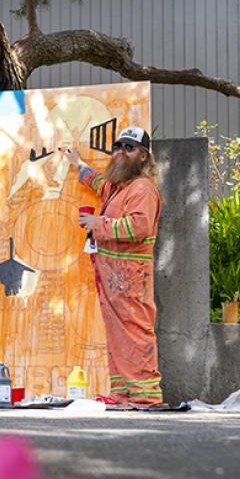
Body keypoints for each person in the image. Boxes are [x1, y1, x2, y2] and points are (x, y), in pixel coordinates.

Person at [63, 127, 164, 408]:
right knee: (118, 335)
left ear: (143, 156)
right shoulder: (118, 187)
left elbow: (139, 226)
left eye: (128, 148)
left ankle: (146, 395)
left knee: (135, 331)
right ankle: (123, 394)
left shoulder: (143, 189)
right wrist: (78, 163)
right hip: (113, 275)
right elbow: (97, 182)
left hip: (130, 275)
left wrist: (99, 225)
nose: (120, 152)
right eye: (118, 146)